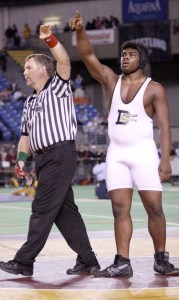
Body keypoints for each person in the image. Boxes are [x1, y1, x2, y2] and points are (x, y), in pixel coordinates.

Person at [68, 11, 179, 277]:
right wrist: (81, 31)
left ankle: (161, 260)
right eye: (122, 54)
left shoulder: (155, 89)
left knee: (154, 207)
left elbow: (164, 126)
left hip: (144, 154)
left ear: (142, 59)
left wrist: (165, 159)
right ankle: (122, 262)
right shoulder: (111, 80)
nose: (124, 58)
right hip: (116, 155)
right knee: (119, 209)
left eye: (130, 54)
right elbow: (88, 56)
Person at [0, 24, 100, 277]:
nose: (24, 72)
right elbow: (25, 137)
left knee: (42, 208)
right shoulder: (29, 102)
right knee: (66, 214)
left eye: (28, 67)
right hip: (42, 159)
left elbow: (64, 61)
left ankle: (24, 261)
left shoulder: (57, 88)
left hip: (60, 154)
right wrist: (22, 160)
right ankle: (88, 260)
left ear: (44, 69)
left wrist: (50, 39)